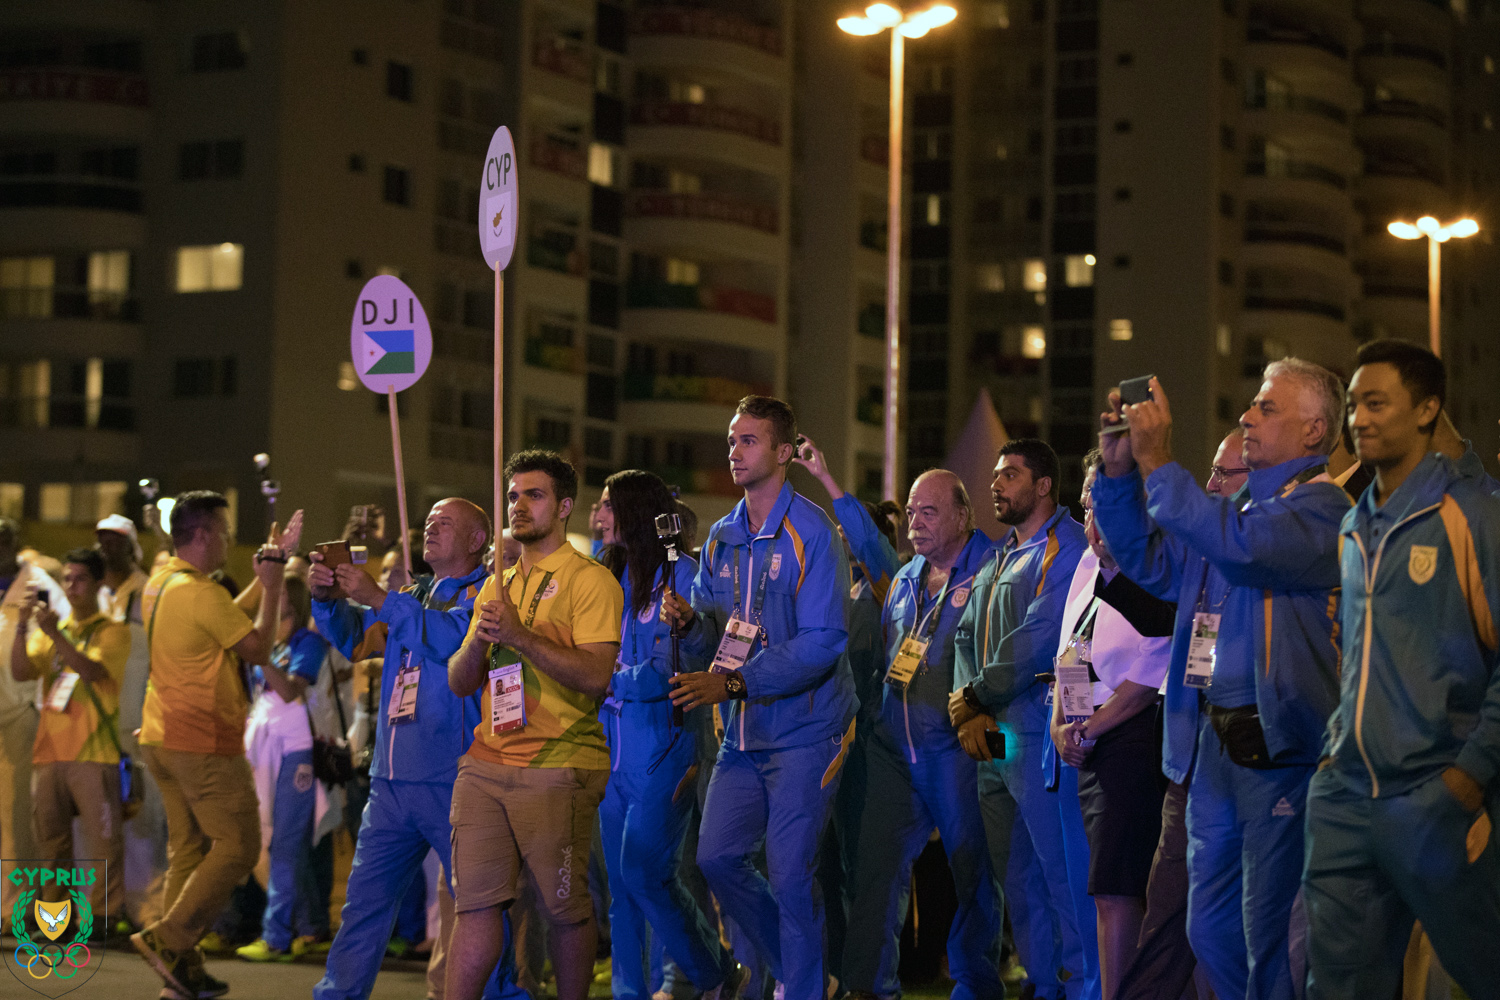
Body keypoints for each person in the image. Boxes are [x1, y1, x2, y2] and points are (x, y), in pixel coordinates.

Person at [1092, 362, 1349, 1000]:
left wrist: (1160, 459)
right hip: (1212, 746)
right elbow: (1146, 559)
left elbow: (1243, 547)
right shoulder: (1237, 510)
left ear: (1314, 430)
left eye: (1265, 408)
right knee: (1207, 931)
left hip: (1279, 748)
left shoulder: (1325, 509)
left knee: (1272, 938)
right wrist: (1121, 471)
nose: (1246, 416)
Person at [1304, 340, 1500, 998]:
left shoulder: (1471, 514)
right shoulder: (1356, 522)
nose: (1358, 417)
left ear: (1427, 410)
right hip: (1346, 795)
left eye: (1377, 403)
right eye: (1354, 403)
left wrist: (1467, 779)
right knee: (1338, 984)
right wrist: (1335, 758)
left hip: (1433, 796)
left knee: (1481, 971)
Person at [661, 395, 855, 1000]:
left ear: (782, 452)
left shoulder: (813, 533)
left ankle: (798, 986)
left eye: (748, 440)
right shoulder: (720, 537)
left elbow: (825, 643)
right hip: (743, 734)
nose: (734, 450)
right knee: (717, 857)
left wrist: (737, 683)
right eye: (731, 439)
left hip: (806, 731)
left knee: (792, 875)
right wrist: (692, 626)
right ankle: (804, 974)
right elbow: (717, 641)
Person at [311, 497, 518, 1000]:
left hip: (457, 777)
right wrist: (326, 599)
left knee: (477, 907)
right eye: (428, 522)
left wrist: (380, 598)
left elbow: (453, 641)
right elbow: (355, 642)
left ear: (476, 541)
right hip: (391, 780)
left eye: (445, 524)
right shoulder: (412, 591)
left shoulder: (489, 595)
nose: (431, 529)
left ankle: (499, 994)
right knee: (363, 904)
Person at [446, 450, 622, 1000]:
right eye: (513, 495)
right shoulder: (496, 583)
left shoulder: (590, 581)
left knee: (564, 911)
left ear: (565, 506)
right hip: (486, 764)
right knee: (473, 905)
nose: (519, 505)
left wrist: (521, 636)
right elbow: (459, 681)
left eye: (535, 494)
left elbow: (597, 676)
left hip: (559, 765)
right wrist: (481, 634)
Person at [842, 469, 1005, 1000]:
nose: (915, 522)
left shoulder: (992, 570)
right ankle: (868, 988)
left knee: (970, 875)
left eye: (928, 512)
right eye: (911, 512)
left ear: (963, 516)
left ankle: (976, 986)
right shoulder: (908, 575)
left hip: (956, 751)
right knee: (876, 873)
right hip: (894, 747)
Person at [130, 492, 298, 1000]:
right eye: (224, 531)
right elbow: (257, 647)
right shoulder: (199, 594)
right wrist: (271, 587)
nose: (229, 539)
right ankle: (171, 937)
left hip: (161, 737)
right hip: (201, 739)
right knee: (240, 844)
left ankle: (182, 971)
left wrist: (260, 576)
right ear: (202, 535)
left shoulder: (163, 583)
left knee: (189, 851)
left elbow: (223, 619)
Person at [947, 439, 1091, 1000]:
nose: (997, 483)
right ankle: (1042, 982)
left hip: (1037, 732)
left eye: (1010, 475)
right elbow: (964, 634)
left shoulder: (1065, 546)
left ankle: (1081, 983)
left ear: (1044, 485)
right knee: (1019, 877)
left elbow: (1037, 638)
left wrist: (977, 694)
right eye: (997, 474)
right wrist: (967, 711)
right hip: (993, 737)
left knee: (1060, 871)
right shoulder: (1000, 554)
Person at [595, 469, 741, 1000]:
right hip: (614, 756)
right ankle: (630, 992)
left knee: (647, 874)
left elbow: (672, 667)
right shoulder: (612, 577)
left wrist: (602, 677)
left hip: (668, 747)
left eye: (609, 505)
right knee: (621, 891)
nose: (600, 514)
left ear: (634, 511)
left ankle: (711, 973)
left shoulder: (682, 575)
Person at [1114, 431, 1245, 1000]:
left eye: (1224, 473)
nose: (1211, 485)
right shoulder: (1198, 550)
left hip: (1258, 763)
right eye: (1210, 472)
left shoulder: (1287, 534)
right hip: (1189, 761)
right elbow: (1139, 558)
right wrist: (1118, 477)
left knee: (1233, 925)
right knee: (1170, 914)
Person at [1050, 452, 1175, 1000]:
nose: (1090, 524)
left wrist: (1093, 725)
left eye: (1101, 509)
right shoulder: (1087, 568)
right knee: (1101, 889)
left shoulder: (1158, 571)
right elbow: (1071, 651)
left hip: (1133, 739)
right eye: (1084, 509)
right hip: (1089, 740)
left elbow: (1154, 671)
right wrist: (1062, 723)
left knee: (1122, 889)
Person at [793, 435, 901, 993]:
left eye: (845, 537)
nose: (839, 543)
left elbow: (869, 545)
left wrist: (828, 481)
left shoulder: (891, 590)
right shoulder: (828, 593)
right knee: (820, 867)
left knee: (868, 872)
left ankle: (871, 982)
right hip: (822, 740)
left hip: (871, 748)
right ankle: (831, 974)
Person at [10, 547, 132, 938]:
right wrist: (22, 626)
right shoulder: (55, 632)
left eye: (79, 578)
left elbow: (92, 670)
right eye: (66, 578)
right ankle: (54, 922)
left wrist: (51, 633)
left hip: (94, 755)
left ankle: (101, 919)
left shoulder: (112, 630)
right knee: (52, 844)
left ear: (98, 583)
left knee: (102, 844)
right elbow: (21, 670)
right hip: (50, 755)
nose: (71, 586)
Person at [236, 575, 335, 962]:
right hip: (263, 750)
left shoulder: (306, 643)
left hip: (295, 753)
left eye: (272, 594)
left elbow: (293, 689)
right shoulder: (273, 642)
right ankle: (306, 928)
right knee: (272, 840)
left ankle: (276, 936)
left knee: (287, 845)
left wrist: (260, 657)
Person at [0, 518, 69, 920]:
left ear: (16, 542)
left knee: (17, 814)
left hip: (22, 712)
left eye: (5, 539)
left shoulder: (39, 583)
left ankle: (17, 908)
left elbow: (62, 639)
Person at [97, 513, 149, 624]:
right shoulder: (98, 589)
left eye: (114, 542)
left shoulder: (144, 588)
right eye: (102, 542)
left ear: (130, 548)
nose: (105, 547)